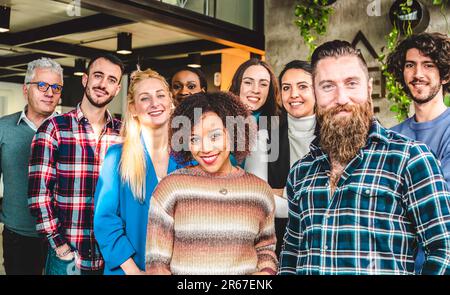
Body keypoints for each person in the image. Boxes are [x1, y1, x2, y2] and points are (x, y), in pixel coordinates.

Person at [279, 40, 450, 275]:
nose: (341, 98)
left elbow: (444, 249)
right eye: (328, 86)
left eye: (351, 83)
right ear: (315, 94)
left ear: (368, 88)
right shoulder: (301, 172)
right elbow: (291, 253)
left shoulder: (409, 159)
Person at [145, 92, 278, 275]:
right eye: (194, 139)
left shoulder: (259, 192)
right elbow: (156, 264)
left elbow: (266, 251)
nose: (205, 148)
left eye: (215, 136)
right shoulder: (170, 189)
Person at [28, 54, 125, 275]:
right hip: (68, 258)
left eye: (111, 80)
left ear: (117, 89)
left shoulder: (124, 134)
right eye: (98, 76)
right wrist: (60, 246)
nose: (103, 84)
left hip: (112, 257)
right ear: (85, 79)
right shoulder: (53, 128)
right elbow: (39, 197)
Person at [94, 69, 185, 275]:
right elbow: (105, 221)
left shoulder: (189, 158)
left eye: (161, 95)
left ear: (171, 102)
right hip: (129, 271)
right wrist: (134, 272)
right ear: (133, 108)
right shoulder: (117, 157)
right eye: (145, 98)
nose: (155, 103)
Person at [387, 32, 450, 274]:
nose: (417, 74)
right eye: (410, 65)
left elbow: (441, 204)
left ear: (445, 75)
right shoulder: (390, 135)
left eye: (428, 65)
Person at [0, 58, 62, 275]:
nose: (49, 93)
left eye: (56, 87)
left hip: (63, 237)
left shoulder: (69, 130)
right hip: (18, 237)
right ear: (26, 89)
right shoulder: (3, 128)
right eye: (42, 85)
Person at [268, 60, 316, 257]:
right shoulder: (269, 134)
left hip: (323, 241)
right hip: (281, 242)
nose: (294, 94)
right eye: (287, 88)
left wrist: (282, 194)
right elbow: (262, 199)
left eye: (302, 86)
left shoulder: (332, 132)